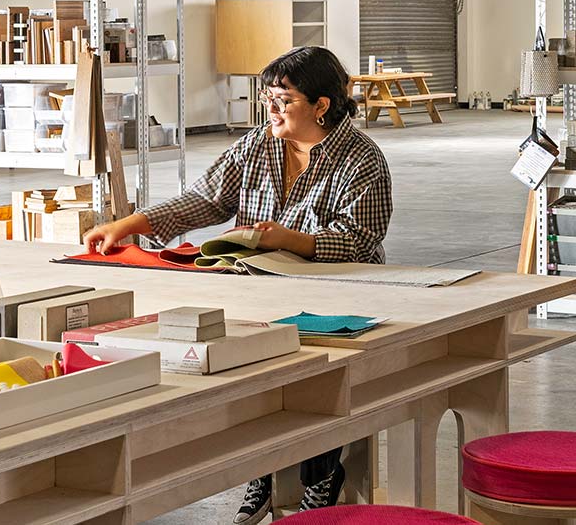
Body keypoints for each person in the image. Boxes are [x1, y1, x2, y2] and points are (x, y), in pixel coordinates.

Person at [82, 46, 393, 523]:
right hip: (259, 288)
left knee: (317, 379)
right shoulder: (257, 145)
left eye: (282, 98)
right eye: (266, 96)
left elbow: (360, 239)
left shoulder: (362, 159)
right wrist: (130, 224)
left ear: (321, 105)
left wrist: (293, 240)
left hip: (337, 292)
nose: (269, 107)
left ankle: (321, 476)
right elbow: (204, 201)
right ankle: (261, 473)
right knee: (250, 378)